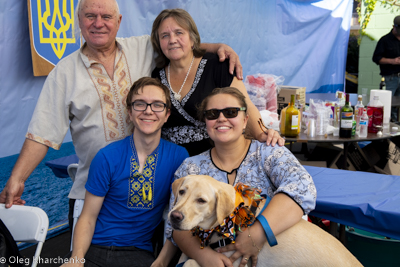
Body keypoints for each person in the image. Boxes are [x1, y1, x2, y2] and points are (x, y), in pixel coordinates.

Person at [0, 0, 243, 231]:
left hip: (148, 192)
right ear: (79, 20)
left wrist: (219, 48)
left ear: (118, 21)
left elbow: (180, 43)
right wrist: (17, 179)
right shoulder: (64, 73)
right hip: (93, 192)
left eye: (106, 16)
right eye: (90, 16)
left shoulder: (141, 48)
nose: (98, 23)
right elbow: (42, 132)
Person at [167, 87, 316, 267]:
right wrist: (205, 257)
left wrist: (257, 233)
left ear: (245, 120)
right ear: (205, 122)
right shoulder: (191, 167)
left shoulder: (269, 152)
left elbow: (303, 188)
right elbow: (176, 226)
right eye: (213, 114)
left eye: (231, 112)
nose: (221, 118)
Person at [61, 77, 188, 267]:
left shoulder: (178, 157)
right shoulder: (107, 157)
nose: (148, 110)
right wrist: (76, 260)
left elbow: (179, 216)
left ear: (167, 114)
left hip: (137, 252)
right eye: (140, 104)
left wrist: (161, 262)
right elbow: (88, 217)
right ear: (129, 112)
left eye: (157, 105)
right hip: (94, 249)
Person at [151, 9, 285, 156]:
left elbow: (245, 104)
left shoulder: (217, 66)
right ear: (158, 42)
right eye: (165, 35)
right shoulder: (155, 75)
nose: (172, 40)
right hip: (170, 157)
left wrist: (262, 134)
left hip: (215, 157)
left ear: (192, 38)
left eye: (179, 33)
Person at [372, 15, 400, 121]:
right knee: (388, 104)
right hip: (390, 78)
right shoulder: (384, 40)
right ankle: (388, 125)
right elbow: (376, 58)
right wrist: (393, 61)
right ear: (394, 27)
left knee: (397, 106)